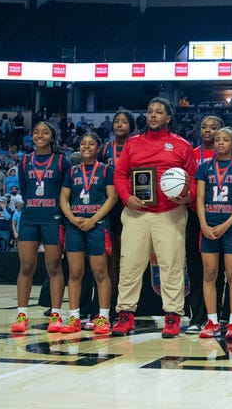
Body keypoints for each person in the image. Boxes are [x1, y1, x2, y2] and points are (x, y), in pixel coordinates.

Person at [111, 97, 197, 338]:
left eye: (159, 112)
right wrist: (127, 197)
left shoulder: (181, 145)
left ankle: (172, 316)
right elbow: (119, 174)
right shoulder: (133, 143)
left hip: (170, 213)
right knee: (130, 265)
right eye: (150, 111)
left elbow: (194, 178)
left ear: (168, 117)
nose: (153, 115)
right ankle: (125, 316)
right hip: (136, 213)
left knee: (172, 266)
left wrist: (188, 196)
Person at [11, 121, 71, 334]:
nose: (39, 135)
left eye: (45, 132)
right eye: (36, 132)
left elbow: (66, 192)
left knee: (53, 267)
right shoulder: (25, 160)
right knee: (26, 266)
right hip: (29, 218)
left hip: (52, 219)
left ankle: (56, 314)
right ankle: (21, 314)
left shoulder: (62, 161)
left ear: (52, 137)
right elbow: (26, 190)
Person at [59, 133, 118, 335]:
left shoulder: (106, 170)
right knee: (75, 273)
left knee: (100, 273)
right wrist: (72, 218)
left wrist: (93, 219)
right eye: (83, 143)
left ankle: (103, 317)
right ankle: (74, 317)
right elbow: (63, 199)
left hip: (98, 225)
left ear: (98, 148)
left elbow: (112, 198)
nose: (86, 147)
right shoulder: (72, 171)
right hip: (75, 225)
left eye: (91, 143)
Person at [196, 127, 232, 340]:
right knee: (209, 274)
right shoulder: (205, 167)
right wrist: (203, 224)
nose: (219, 143)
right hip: (208, 226)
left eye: (225, 140)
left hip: (231, 228)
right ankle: (212, 321)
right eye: (217, 139)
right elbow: (200, 199)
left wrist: (227, 224)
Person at [93, 109, 135, 328]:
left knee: (126, 257)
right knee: (110, 258)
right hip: (109, 203)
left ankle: (125, 307)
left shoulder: (135, 145)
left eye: (124, 122)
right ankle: (104, 309)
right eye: (117, 121)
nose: (119, 125)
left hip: (129, 201)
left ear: (131, 125)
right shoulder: (106, 149)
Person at [184, 115, 224, 335]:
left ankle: (216, 315)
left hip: (220, 217)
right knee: (196, 269)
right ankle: (196, 316)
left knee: (218, 271)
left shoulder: (228, 155)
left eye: (213, 127)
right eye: (205, 127)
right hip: (193, 216)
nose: (208, 131)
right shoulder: (191, 154)